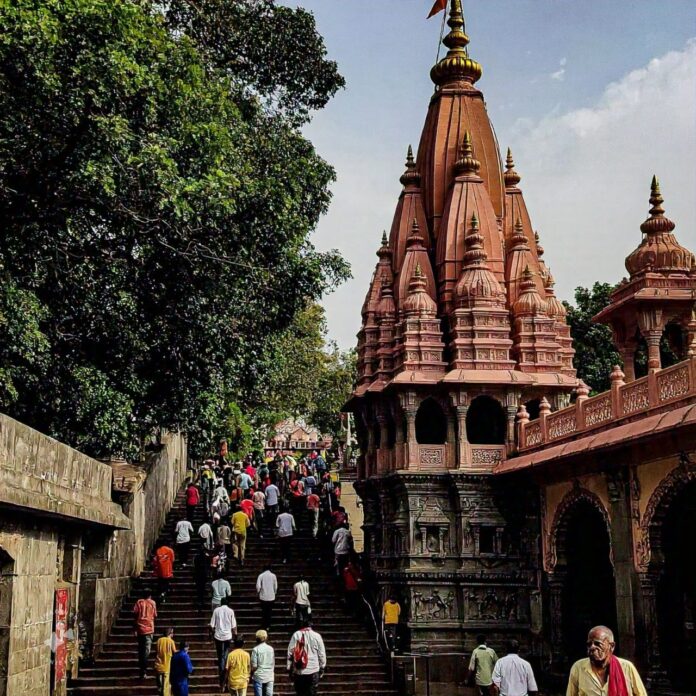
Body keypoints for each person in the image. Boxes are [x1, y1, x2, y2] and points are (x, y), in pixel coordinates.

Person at [566, 626, 647, 696]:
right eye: (589, 644)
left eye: (598, 644)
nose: (592, 647)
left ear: (611, 646)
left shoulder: (626, 667)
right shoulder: (578, 668)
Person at [286, 618, 326, 696]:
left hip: (299, 670)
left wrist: (289, 667)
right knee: (312, 692)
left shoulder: (296, 634)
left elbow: (290, 652)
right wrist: (322, 666)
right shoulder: (317, 636)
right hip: (313, 669)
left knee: (300, 692)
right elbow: (321, 654)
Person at [210, 597, 238, 688]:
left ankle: (222, 678)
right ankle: (225, 678)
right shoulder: (231, 611)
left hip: (218, 637)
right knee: (225, 655)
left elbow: (211, 625)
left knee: (220, 656)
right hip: (227, 637)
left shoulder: (216, 610)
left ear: (220, 603)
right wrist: (236, 635)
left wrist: (213, 632)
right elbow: (234, 626)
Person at [133, 589, 157, 679]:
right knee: (146, 651)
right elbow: (155, 615)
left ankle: (142, 669)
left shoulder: (139, 602)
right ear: (150, 595)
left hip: (140, 629)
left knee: (141, 649)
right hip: (149, 629)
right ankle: (143, 670)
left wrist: (134, 629)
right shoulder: (152, 603)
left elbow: (135, 615)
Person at [251, 629, 275, 696]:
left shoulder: (255, 649)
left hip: (259, 676)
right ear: (266, 638)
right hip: (269, 675)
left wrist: (251, 673)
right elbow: (273, 663)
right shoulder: (271, 649)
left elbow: (254, 666)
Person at [154, 627, 177, 696]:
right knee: (166, 687)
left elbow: (156, 651)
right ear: (170, 633)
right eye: (172, 633)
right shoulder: (171, 641)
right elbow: (175, 652)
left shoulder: (159, 640)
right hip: (166, 666)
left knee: (160, 685)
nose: (173, 635)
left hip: (158, 665)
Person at [256, 565, 278, 630]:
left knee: (264, 612)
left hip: (263, 596)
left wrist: (258, 592)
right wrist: (274, 592)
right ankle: (268, 625)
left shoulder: (261, 575)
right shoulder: (273, 576)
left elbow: (258, 586)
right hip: (271, 596)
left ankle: (264, 625)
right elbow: (276, 586)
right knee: (269, 611)